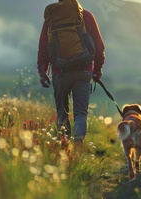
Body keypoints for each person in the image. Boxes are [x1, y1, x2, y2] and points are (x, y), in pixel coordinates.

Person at [37, 0, 105, 144]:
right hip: (83, 71)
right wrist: (97, 70)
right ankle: (78, 141)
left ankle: (64, 148)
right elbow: (99, 47)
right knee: (81, 113)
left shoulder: (51, 18)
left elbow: (43, 48)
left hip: (59, 72)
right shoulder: (85, 16)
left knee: (62, 113)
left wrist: (43, 73)